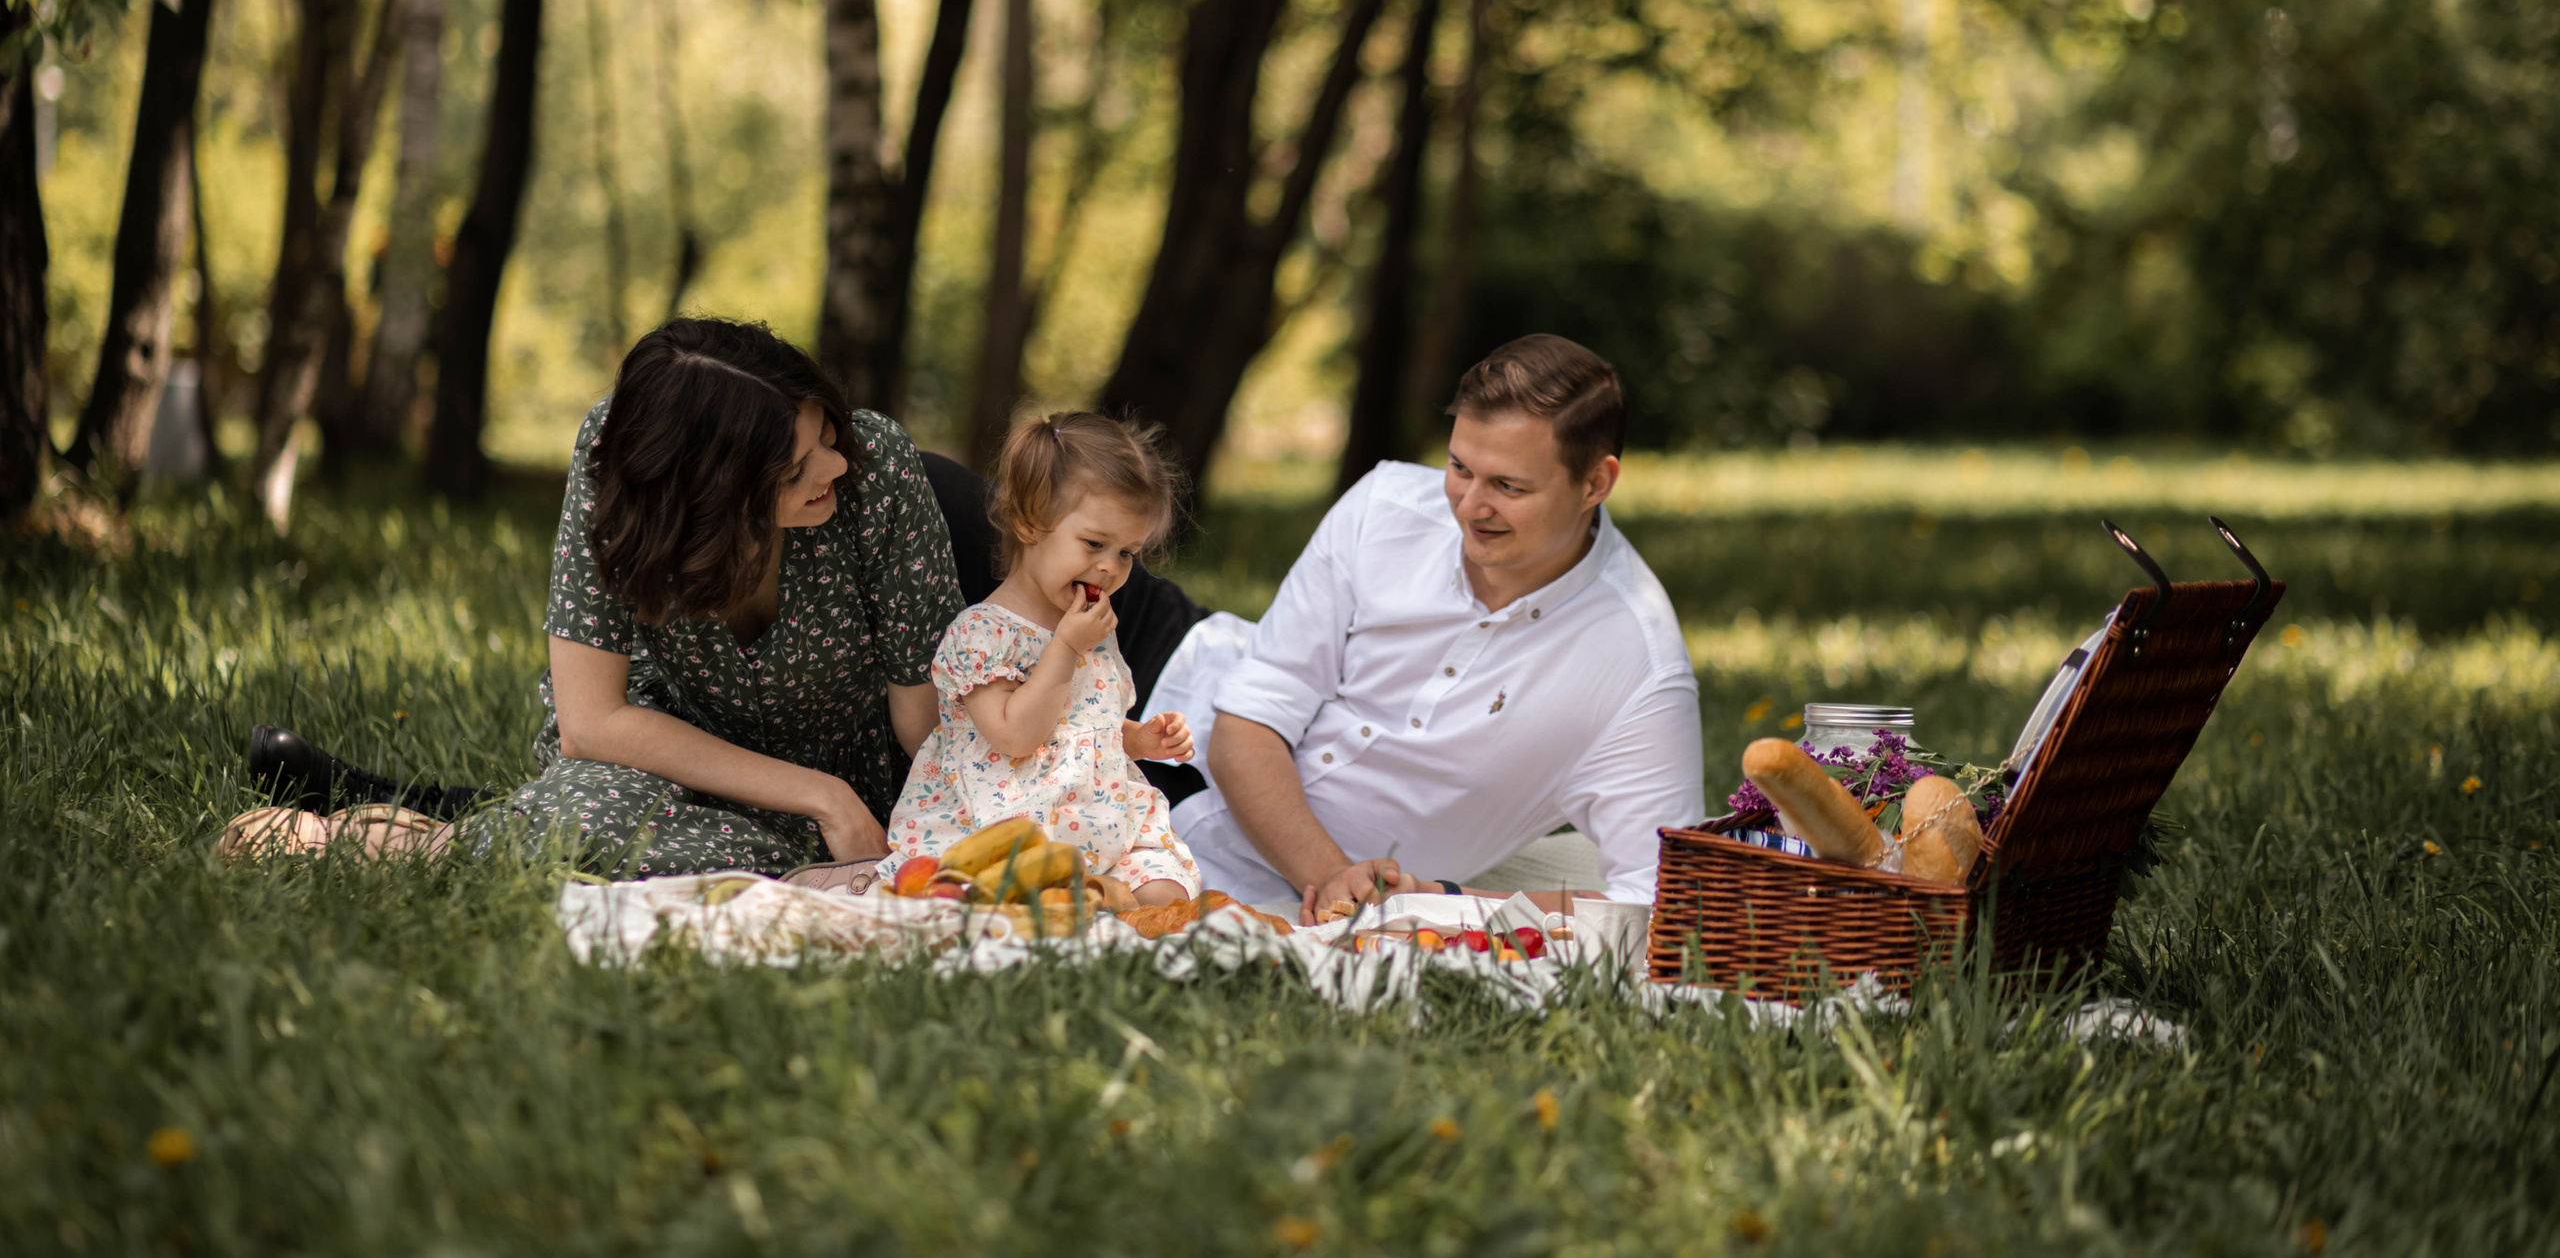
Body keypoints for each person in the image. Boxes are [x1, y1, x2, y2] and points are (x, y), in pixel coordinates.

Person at [250, 318, 969, 877]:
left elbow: (925, 729)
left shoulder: (877, 473)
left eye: (826, 432)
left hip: (850, 764)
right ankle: (402, 836)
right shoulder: (621, 459)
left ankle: (445, 817)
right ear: (707, 496)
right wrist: (818, 793)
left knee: (759, 859)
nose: (835, 465)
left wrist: (861, 805)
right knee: (605, 812)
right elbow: (591, 722)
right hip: (663, 748)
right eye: (794, 469)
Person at [1160, 334, 1705, 922]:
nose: (1470, 506)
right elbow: (1249, 716)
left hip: (1173, 831)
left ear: (1596, 484)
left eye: (1508, 486)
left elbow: (1663, 900)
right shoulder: (1385, 507)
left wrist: (1440, 902)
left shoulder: (1639, 669)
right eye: (1459, 468)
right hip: (1164, 671)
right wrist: (1332, 877)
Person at [872, 412, 1201, 903]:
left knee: (1170, 896)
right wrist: (1066, 648)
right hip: (1009, 824)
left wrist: (1138, 738)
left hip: (1101, 820)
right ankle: (1087, 901)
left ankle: (1106, 897)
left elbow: (1084, 729)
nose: (1110, 567)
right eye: (1094, 543)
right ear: (1030, 522)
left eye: (1128, 552)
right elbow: (1016, 736)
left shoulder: (1088, 629)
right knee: (1005, 892)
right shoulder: (982, 635)